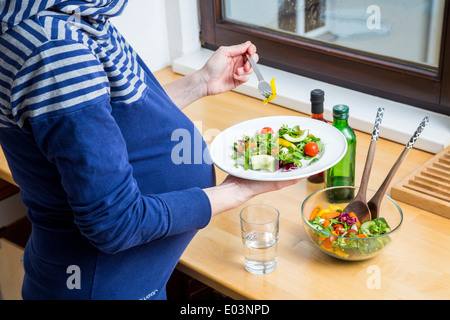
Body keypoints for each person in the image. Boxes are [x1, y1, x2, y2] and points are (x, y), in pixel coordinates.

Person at [0, 0, 299, 300]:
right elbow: (115, 224)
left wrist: (202, 82)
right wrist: (238, 190)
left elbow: (113, 124)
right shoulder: (55, 51)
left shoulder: (67, 19)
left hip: (131, 283)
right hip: (101, 288)